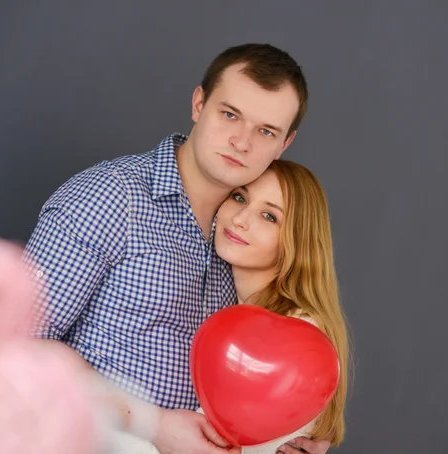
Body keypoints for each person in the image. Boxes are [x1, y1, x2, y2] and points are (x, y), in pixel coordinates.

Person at [24, 43, 332, 454]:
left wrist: (277, 443)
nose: (242, 142)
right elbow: (18, 344)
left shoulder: (242, 245)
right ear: (198, 103)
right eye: (230, 114)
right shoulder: (111, 198)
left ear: (284, 144)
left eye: (265, 131)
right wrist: (153, 426)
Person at [107, 160, 350, 453]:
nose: (240, 219)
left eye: (269, 216)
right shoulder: (225, 297)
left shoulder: (295, 334)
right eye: (239, 197)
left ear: (296, 242)